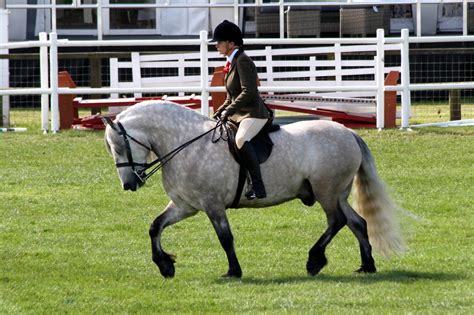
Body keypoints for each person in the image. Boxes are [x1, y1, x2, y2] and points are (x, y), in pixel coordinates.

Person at [211, 20, 271, 200]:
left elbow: (249, 91)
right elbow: (231, 96)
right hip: (239, 113)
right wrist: (218, 112)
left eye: (220, 42)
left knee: (241, 138)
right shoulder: (231, 62)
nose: (217, 45)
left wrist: (228, 111)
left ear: (231, 43)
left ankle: (258, 186)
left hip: (253, 113)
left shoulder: (243, 60)